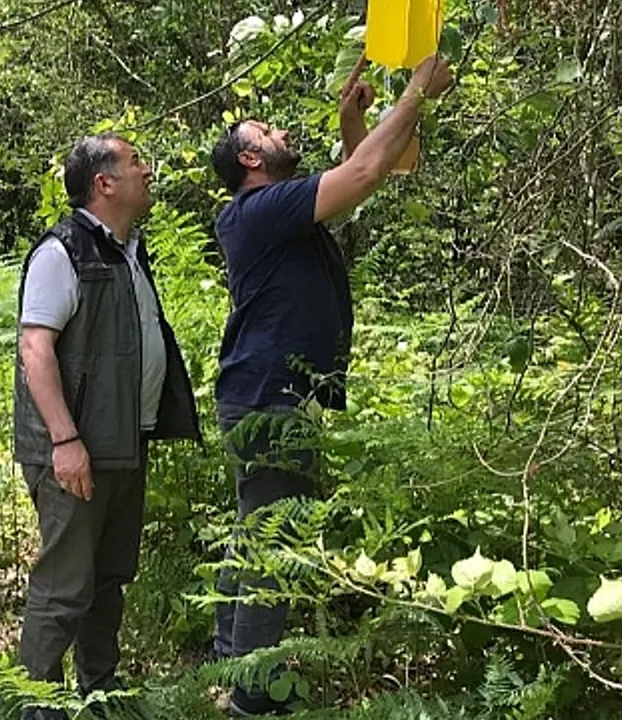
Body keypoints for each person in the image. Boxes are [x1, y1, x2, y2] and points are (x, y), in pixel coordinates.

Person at [208, 54, 453, 716]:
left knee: (256, 527)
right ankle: (253, 694)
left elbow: (360, 176)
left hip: (266, 394)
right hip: (269, 398)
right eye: (266, 131)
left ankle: (229, 656)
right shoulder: (259, 210)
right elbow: (364, 173)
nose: (281, 131)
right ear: (250, 160)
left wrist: (353, 121)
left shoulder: (277, 212)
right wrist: (418, 90)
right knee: (273, 541)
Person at [12, 133, 202, 720]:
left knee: (108, 577)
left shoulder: (127, 251)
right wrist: (65, 440)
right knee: (64, 584)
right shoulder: (62, 252)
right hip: (76, 450)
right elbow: (35, 349)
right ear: (104, 183)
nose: (148, 170)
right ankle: (36, 704)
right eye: (135, 162)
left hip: (124, 443)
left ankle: (100, 693)